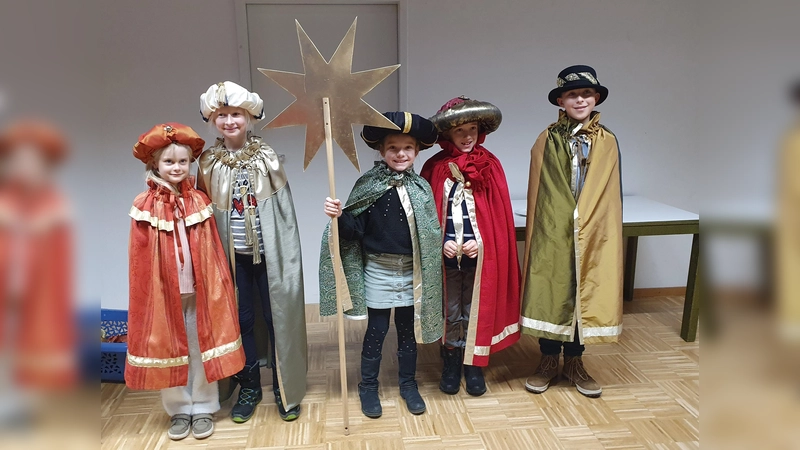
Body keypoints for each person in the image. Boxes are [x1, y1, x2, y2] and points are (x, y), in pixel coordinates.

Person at [196, 81, 307, 423]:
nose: (229, 121)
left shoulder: (267, 158)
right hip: (232, 259)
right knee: (240, 320)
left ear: (249, 117)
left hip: (270, 256)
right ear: (213, 119)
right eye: (222, 115)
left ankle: (283, 387)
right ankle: (249, 386)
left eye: (236, 114)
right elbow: (202, 210)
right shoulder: (208, 163)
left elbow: (283, 213)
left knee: (277, 318)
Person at [320, 111, 443, 418]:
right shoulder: (369, 184)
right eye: (393, 148)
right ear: (381, 151)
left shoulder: (421, 188)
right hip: (377, 269)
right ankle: (368, 387)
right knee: (376, 330)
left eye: (407, 148)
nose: (400, 154)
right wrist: (339, 217)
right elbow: (354, 231)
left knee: (406, 330)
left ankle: (408, 385)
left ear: (416, 152)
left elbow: (429, 234)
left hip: (410, 271)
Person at [127, 123, 244, 440]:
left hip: (199, 290)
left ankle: (204, 406)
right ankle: (179, 408)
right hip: (165, 293)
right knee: (169, 348)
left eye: (182, 161)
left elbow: (212, 249)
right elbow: (139, 258)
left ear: (190, 163)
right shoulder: (144, 206)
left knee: (199, 346)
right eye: (169, 162)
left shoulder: (199, 201)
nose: (176, 168)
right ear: (155, 164)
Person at [520, 65, 623, 398]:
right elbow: (543, 188)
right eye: (572, 95)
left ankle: (575, 362)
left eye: (586, 94)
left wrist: (591, 222)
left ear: (595, 99)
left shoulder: (606, 141)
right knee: (553, 287)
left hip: (592, 228)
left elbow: (608, 191)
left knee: (585, 289)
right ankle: (548, 360)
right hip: (555, 228)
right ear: (560, 101)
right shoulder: (547, 139)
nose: (580, 100)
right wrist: (557, 221)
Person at [420, 96, 521, 396]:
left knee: (475, 306)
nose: (467, 136)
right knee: (451, 307)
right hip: (447, 257)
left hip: (480, 257)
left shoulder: (490, 165)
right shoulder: (435, 168)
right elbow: (428, 215)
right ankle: (451, 358)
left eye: (473, 129)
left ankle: (473, 364)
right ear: (447, 134)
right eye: (460, 130)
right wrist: (441, 244)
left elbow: (496, 217)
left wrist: (484, 243)